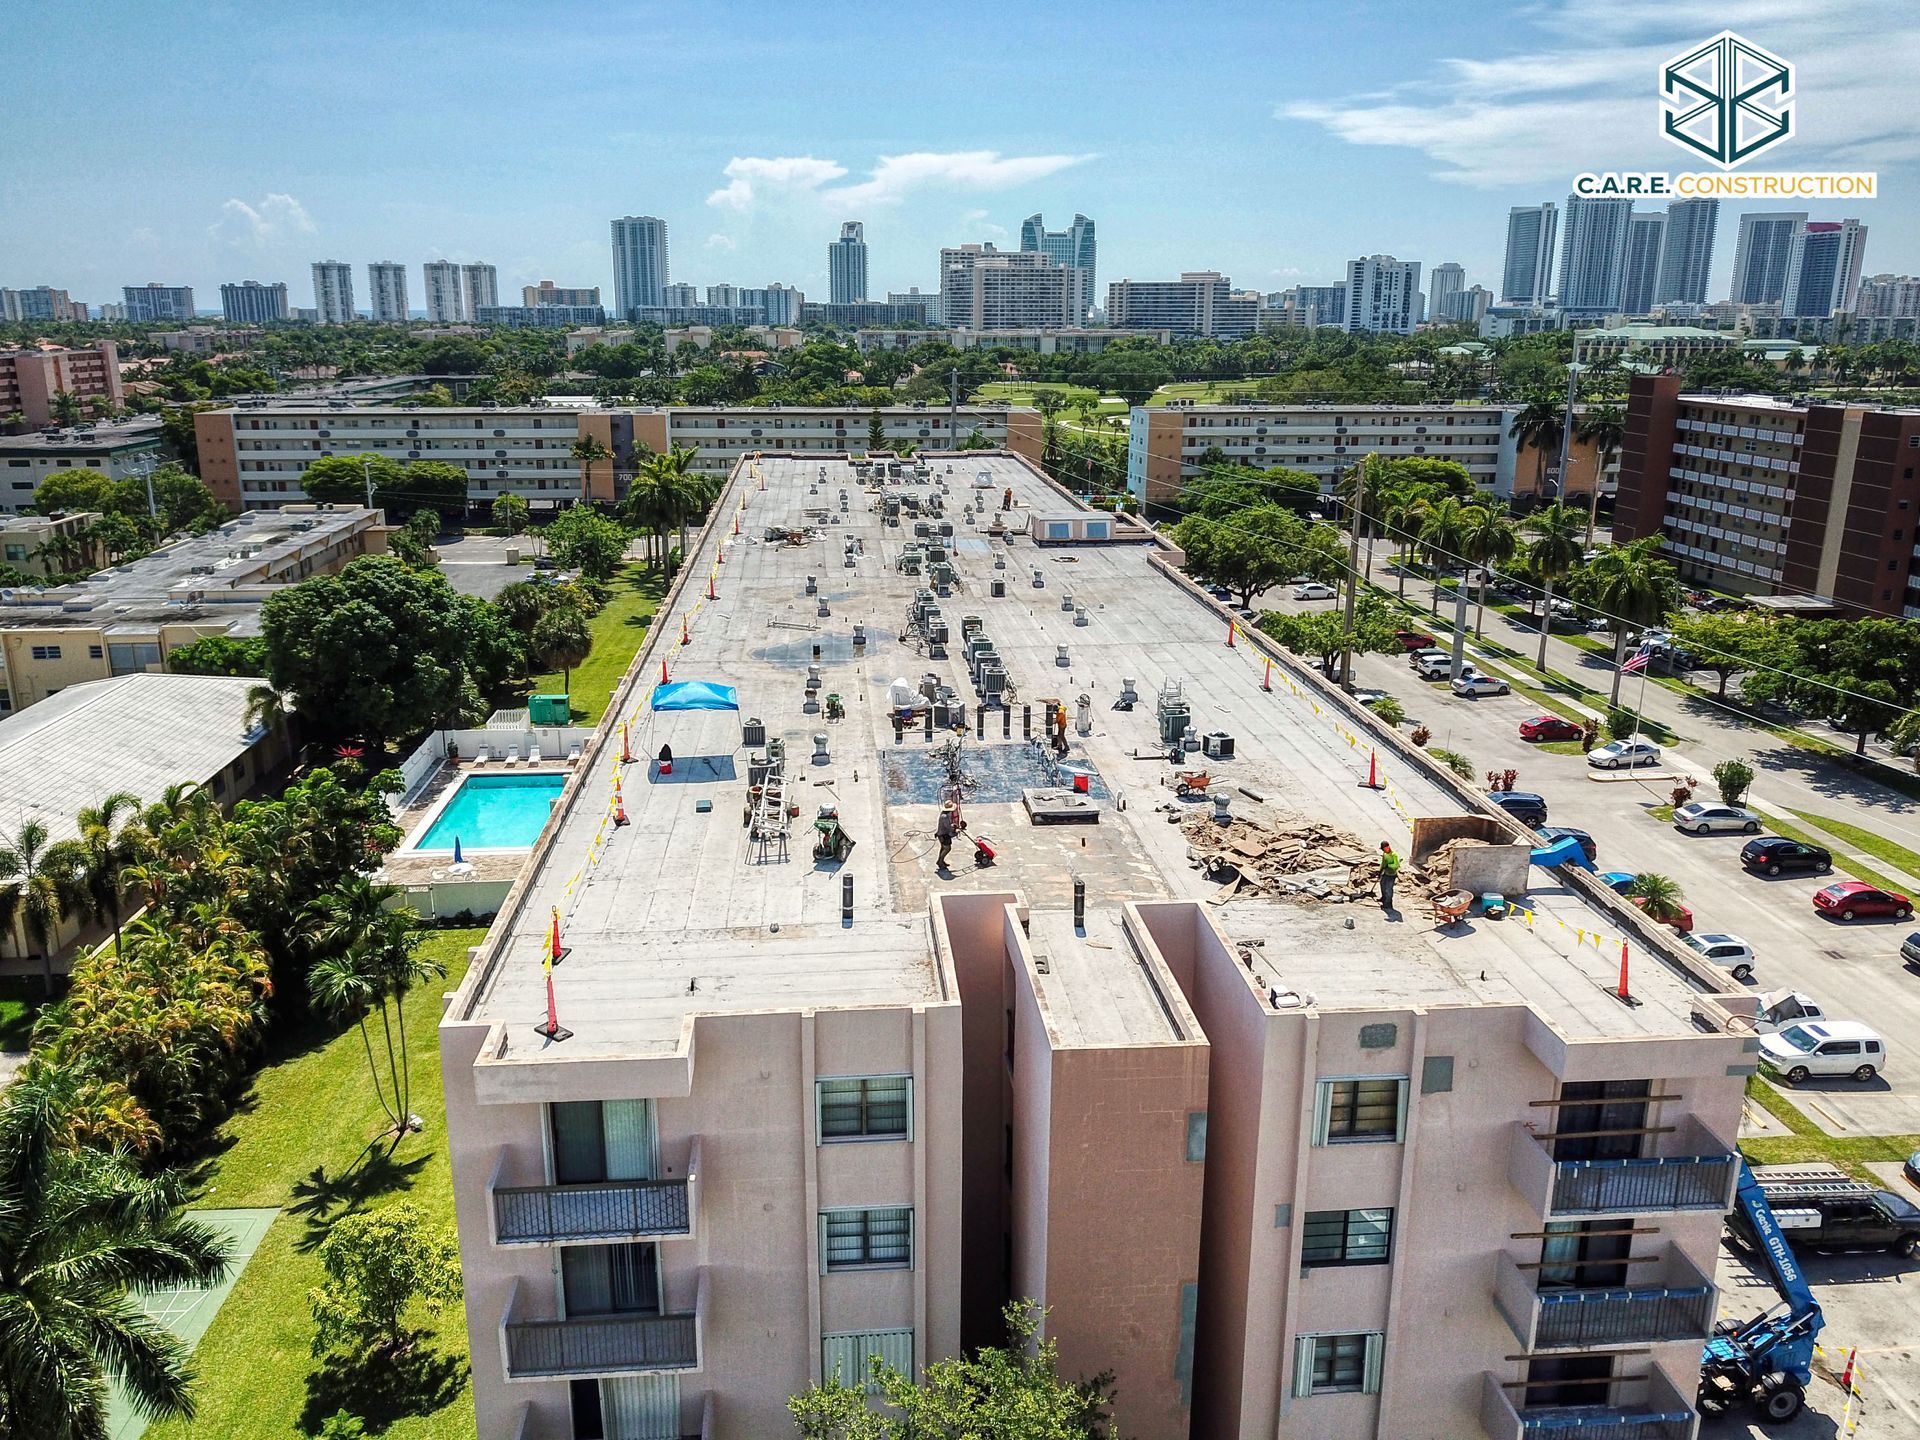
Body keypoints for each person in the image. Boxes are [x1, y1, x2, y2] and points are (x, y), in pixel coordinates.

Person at [936, 801, 961, 869]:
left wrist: (952, 825)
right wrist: (955, 831)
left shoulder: (946, 814)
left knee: (943, 848)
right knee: (947, 848)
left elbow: (948, 825)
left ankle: (940, 860)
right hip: (943, 835)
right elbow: (948, 828)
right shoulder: (944, 816)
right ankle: (940, 861)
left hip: (942, 833)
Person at [1378, 840, 1401, 910]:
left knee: (1388, 889)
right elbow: (1383, 863)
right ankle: (1383, 898)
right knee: (1382, 885)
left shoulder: (1394, 855)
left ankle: (1388, 903)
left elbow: (1396, 865)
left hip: (1391, 874)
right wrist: (1380, 870)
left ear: (1387, 847)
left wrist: (1389, 866)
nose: (1383, 850)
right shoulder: (1385, 854)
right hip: (1385, 873)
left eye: (1383, 849)